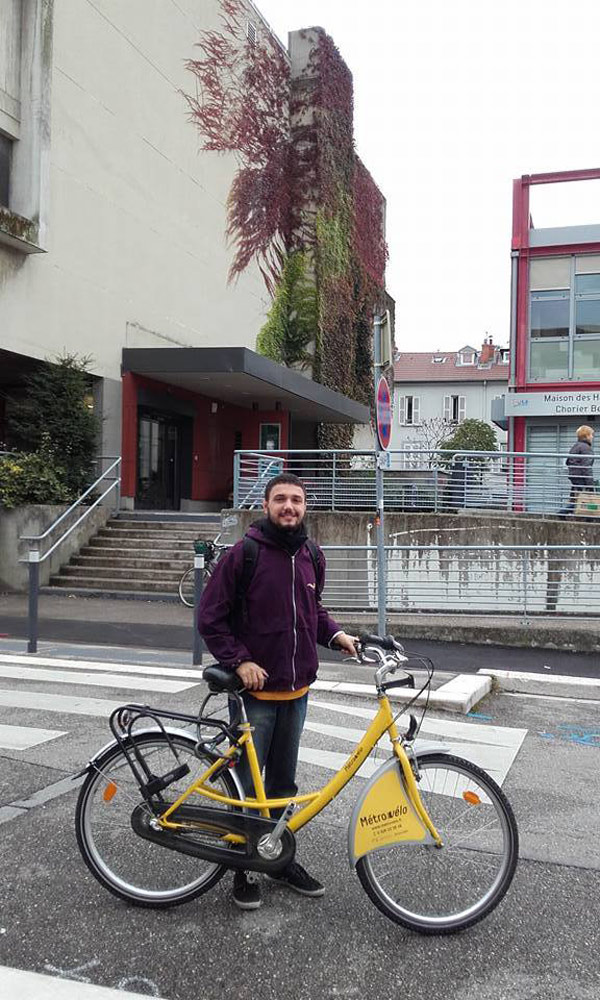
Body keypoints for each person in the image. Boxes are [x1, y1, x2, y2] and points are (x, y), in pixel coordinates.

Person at [198, 472, 357, 911]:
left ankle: (279, 860)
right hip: (254, 698)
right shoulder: (243, 555)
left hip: (296, 692)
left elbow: (313, 611)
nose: (290, 507)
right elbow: (210, 617)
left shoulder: (311, 555)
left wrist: (337, 635)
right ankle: (242, 866)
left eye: (297, 501)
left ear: (305, 508)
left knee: (283, 785)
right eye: (281, 499)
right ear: (266, 506)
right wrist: (240, 660)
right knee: (248, 787)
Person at [566, 425, 595, 513]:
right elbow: (586, 467)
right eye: (591, 435)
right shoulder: (586, 448)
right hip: (581, 478)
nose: (592, 437)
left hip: (574, 477)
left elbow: (567, 461)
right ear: (586, 435)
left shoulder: (576, 446)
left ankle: (563, 514)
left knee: (575, 499)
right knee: (583, 499)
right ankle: (562, 513)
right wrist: (590, 485)